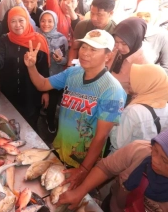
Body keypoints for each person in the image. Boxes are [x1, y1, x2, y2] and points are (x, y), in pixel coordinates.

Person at [25, 29, 126, 189]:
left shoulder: (113, 91)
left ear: (108, 55)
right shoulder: (72, 73)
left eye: (93, 49)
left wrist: (83, 170)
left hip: (83, 161)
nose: (85, 53)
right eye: (84, 47)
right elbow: (42, 84)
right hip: (60, 148)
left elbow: (101, 137)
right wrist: (31, 67)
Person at [59, 129, 168, 212]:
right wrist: (80, 191)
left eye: (165, 160)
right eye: (155, 150)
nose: (155, 160)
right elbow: (106, 168)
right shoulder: (139, 150)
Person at [0, 6, 50, 129]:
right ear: (9, 23)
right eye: (13, 21)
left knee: (30, 126)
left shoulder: (38, 40)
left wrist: (46, 92)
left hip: (31, 94)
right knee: (8, 127)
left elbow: (44, 70)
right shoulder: (5, 39)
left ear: (27, 20)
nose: (17, 25)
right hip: (9, 93)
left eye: (21, 20)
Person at [111, 64, 168, 152]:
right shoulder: (165, 108)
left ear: (146, 83)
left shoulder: (133, 111)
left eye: (136, 79)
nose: (129, 80)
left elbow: (117, 143)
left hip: (124, 160)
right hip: (146, 160)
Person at [38, 10, 68, 139]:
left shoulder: (61, 39)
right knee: (39, 99)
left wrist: (60, 60)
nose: (46, 24)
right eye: (43, 20)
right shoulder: (35, 36)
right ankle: (40, 117)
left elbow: (66, 59)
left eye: (50, 21)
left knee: (52, 102)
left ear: (55, 22)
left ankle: (50, 121)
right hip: (39, 75)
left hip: (55, 76)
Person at [107, 17, 153, 95]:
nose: (119, 47)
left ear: (136, 39)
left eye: (124, 43)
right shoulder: (115, 49)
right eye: (116, 42)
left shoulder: (144, 63)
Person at [68, 0, 116, 65]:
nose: (93, 18)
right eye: (92, 13)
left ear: (111, 13)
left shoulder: (116, 32)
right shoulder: (82, 25)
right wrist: (70, 67)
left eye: (99, 15)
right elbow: (74, 48)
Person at [135, 0, 168, 73]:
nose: (143, 19)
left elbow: (166, 67)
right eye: (139, 15)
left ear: (154, 16)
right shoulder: (132, 31)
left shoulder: (163, 35)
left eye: (147, 16)